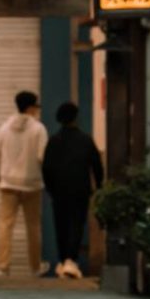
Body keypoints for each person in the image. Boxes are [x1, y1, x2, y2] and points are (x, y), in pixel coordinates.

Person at [42, 102, 103, 279]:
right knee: (77, 224)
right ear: (76, 117)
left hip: (59, 191)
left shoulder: (54, 141)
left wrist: (50, 188)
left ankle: (62, 260)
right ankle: (71, 260)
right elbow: (96, 165)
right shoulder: (85, 139)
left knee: (61, 225)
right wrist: (98, 186)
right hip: (80, 189)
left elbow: (46, 168)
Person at [0, 91, 49, 277]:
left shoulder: (5, 127)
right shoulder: (39, 129)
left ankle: (3, 267)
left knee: (5, 225)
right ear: (31, 107)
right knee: (33, 226)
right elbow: (42, 157)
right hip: (32, 183)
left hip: (8, 183)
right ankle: (34, 267)